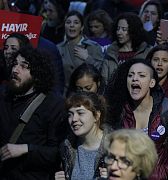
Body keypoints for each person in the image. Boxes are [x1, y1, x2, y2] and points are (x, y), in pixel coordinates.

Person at [106, 59, 168, 180]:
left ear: (151, 83)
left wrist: (164, 172)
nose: (135, 79)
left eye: (141, 75)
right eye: (131, 75)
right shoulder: (120, 111)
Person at [0, 46, 67, 179]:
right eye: (14, 64)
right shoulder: (3, 96)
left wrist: (26, 149)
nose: (15, 70)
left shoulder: (53, 105)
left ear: (37, 74)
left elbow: (57, 153)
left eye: (24, 66)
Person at [54, 91, 112, 180]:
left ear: (96, 115)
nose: (74, 119)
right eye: (70, 114)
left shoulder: (115, 148)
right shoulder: (66, 148)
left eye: (80, 113)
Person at [57, 10, 105, 94]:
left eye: (76, 23)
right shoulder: (58, 48)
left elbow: (102, 72)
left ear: (82, 27)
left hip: (87, 96)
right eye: (68, 22)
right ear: (64, 26)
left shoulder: (93, 47)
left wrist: (87, 58)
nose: (72, 25)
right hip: (65, 97)